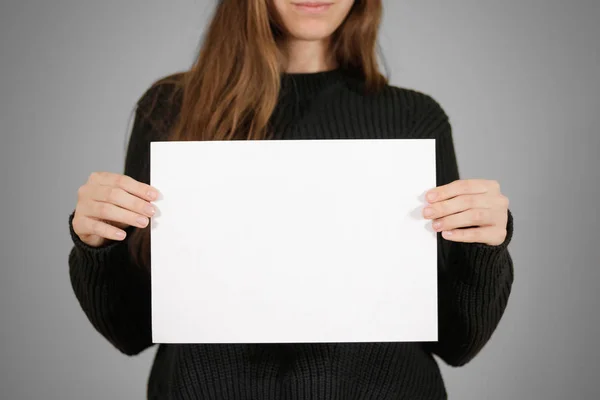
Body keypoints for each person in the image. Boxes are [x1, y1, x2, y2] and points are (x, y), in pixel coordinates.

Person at [68, 0, 514, 399]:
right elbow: (130, 332)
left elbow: (458, 342)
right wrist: (97, 243)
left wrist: (483, 243)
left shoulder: (414, 118)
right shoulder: (171, 106)